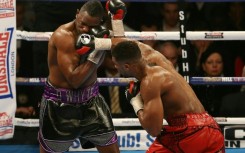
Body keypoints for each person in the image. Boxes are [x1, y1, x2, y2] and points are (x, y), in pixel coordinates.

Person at [108, 39, 225, 152]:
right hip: (211, 128)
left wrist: (135, 102)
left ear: (127, 66)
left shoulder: (150, 82)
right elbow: (125, 43)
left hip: (188, 133)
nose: (115, 67)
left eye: (116, 64)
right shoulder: (158, 58)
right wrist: (97, 42)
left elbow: (154, 129)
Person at [38, 0, 122, 153]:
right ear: (77, 14)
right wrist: (98, 50)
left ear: (99, 23)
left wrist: (117, 21)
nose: (85, 29)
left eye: (91, 26)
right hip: (59, 106)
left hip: (91, 102)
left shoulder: (98, 32)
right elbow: (75, 80)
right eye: (82, 23)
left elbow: (122, 49)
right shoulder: (63, 36)